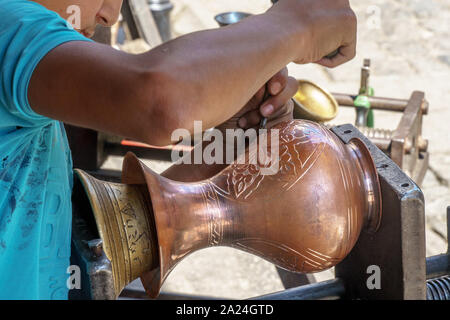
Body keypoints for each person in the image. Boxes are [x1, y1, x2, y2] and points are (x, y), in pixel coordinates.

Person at [0, 0, 357, 299]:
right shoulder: (8, 24)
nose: (110, 14)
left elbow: (82, 244)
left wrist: (226, 148)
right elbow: (160, 102)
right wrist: (299, 24)